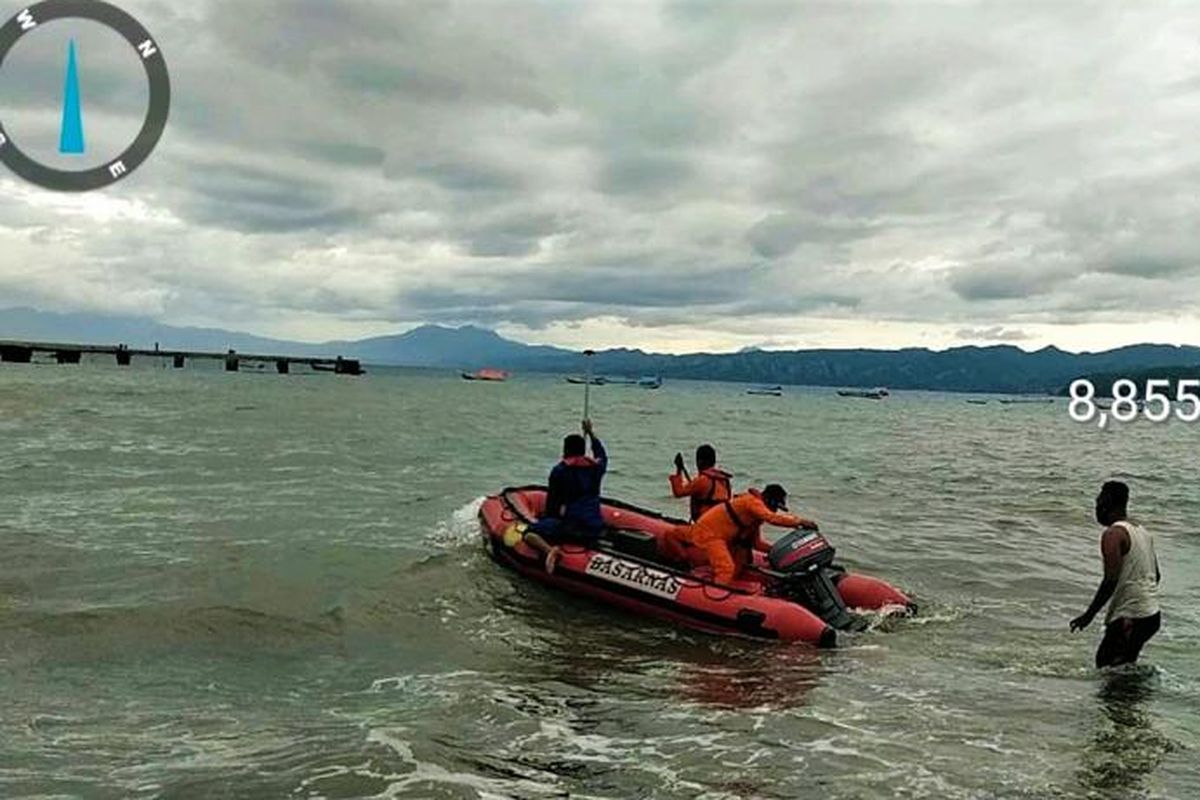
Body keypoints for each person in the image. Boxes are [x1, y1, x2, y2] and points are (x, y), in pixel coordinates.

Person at [1070, 481, 1162, 668]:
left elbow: (1110, 580)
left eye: (1098, 503)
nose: (1096, 509)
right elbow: (1156, 575)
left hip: (1131, 616)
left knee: (1105, 665)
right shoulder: (1142, 531)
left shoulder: (1113, 534)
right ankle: (1136, 696)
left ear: (1107, 503)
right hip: (1151, 615)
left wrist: (1088, 616)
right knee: (1124, 667)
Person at [682, 484, 818, 586]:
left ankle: (720, 584)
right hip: (710, 533)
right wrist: (800, 522)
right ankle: (711, 599)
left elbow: (756, 543)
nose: (775, 510)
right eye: (775, 506)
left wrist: (779, 552)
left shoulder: (754, 517)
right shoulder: (752, 503)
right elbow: (771, 518)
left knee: (740, 566)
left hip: (723, 536)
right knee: (727, 569)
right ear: (769, 500)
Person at [523, 419, 608, 574]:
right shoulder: (596, 468)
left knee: (529, 534)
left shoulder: (560, 471)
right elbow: (602, 454)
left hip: (571, 527)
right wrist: (590, 433)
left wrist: (547, 519)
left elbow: (552, 503)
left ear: (566, 450)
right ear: (582, 450)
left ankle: (550, 551)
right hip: (594, 527)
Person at [669, 444, 733, 521]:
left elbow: (678, 492)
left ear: (699, 462)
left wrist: (679, 469)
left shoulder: (702, 480)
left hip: (706, 522)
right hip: (722, 521)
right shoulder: (724, 480)